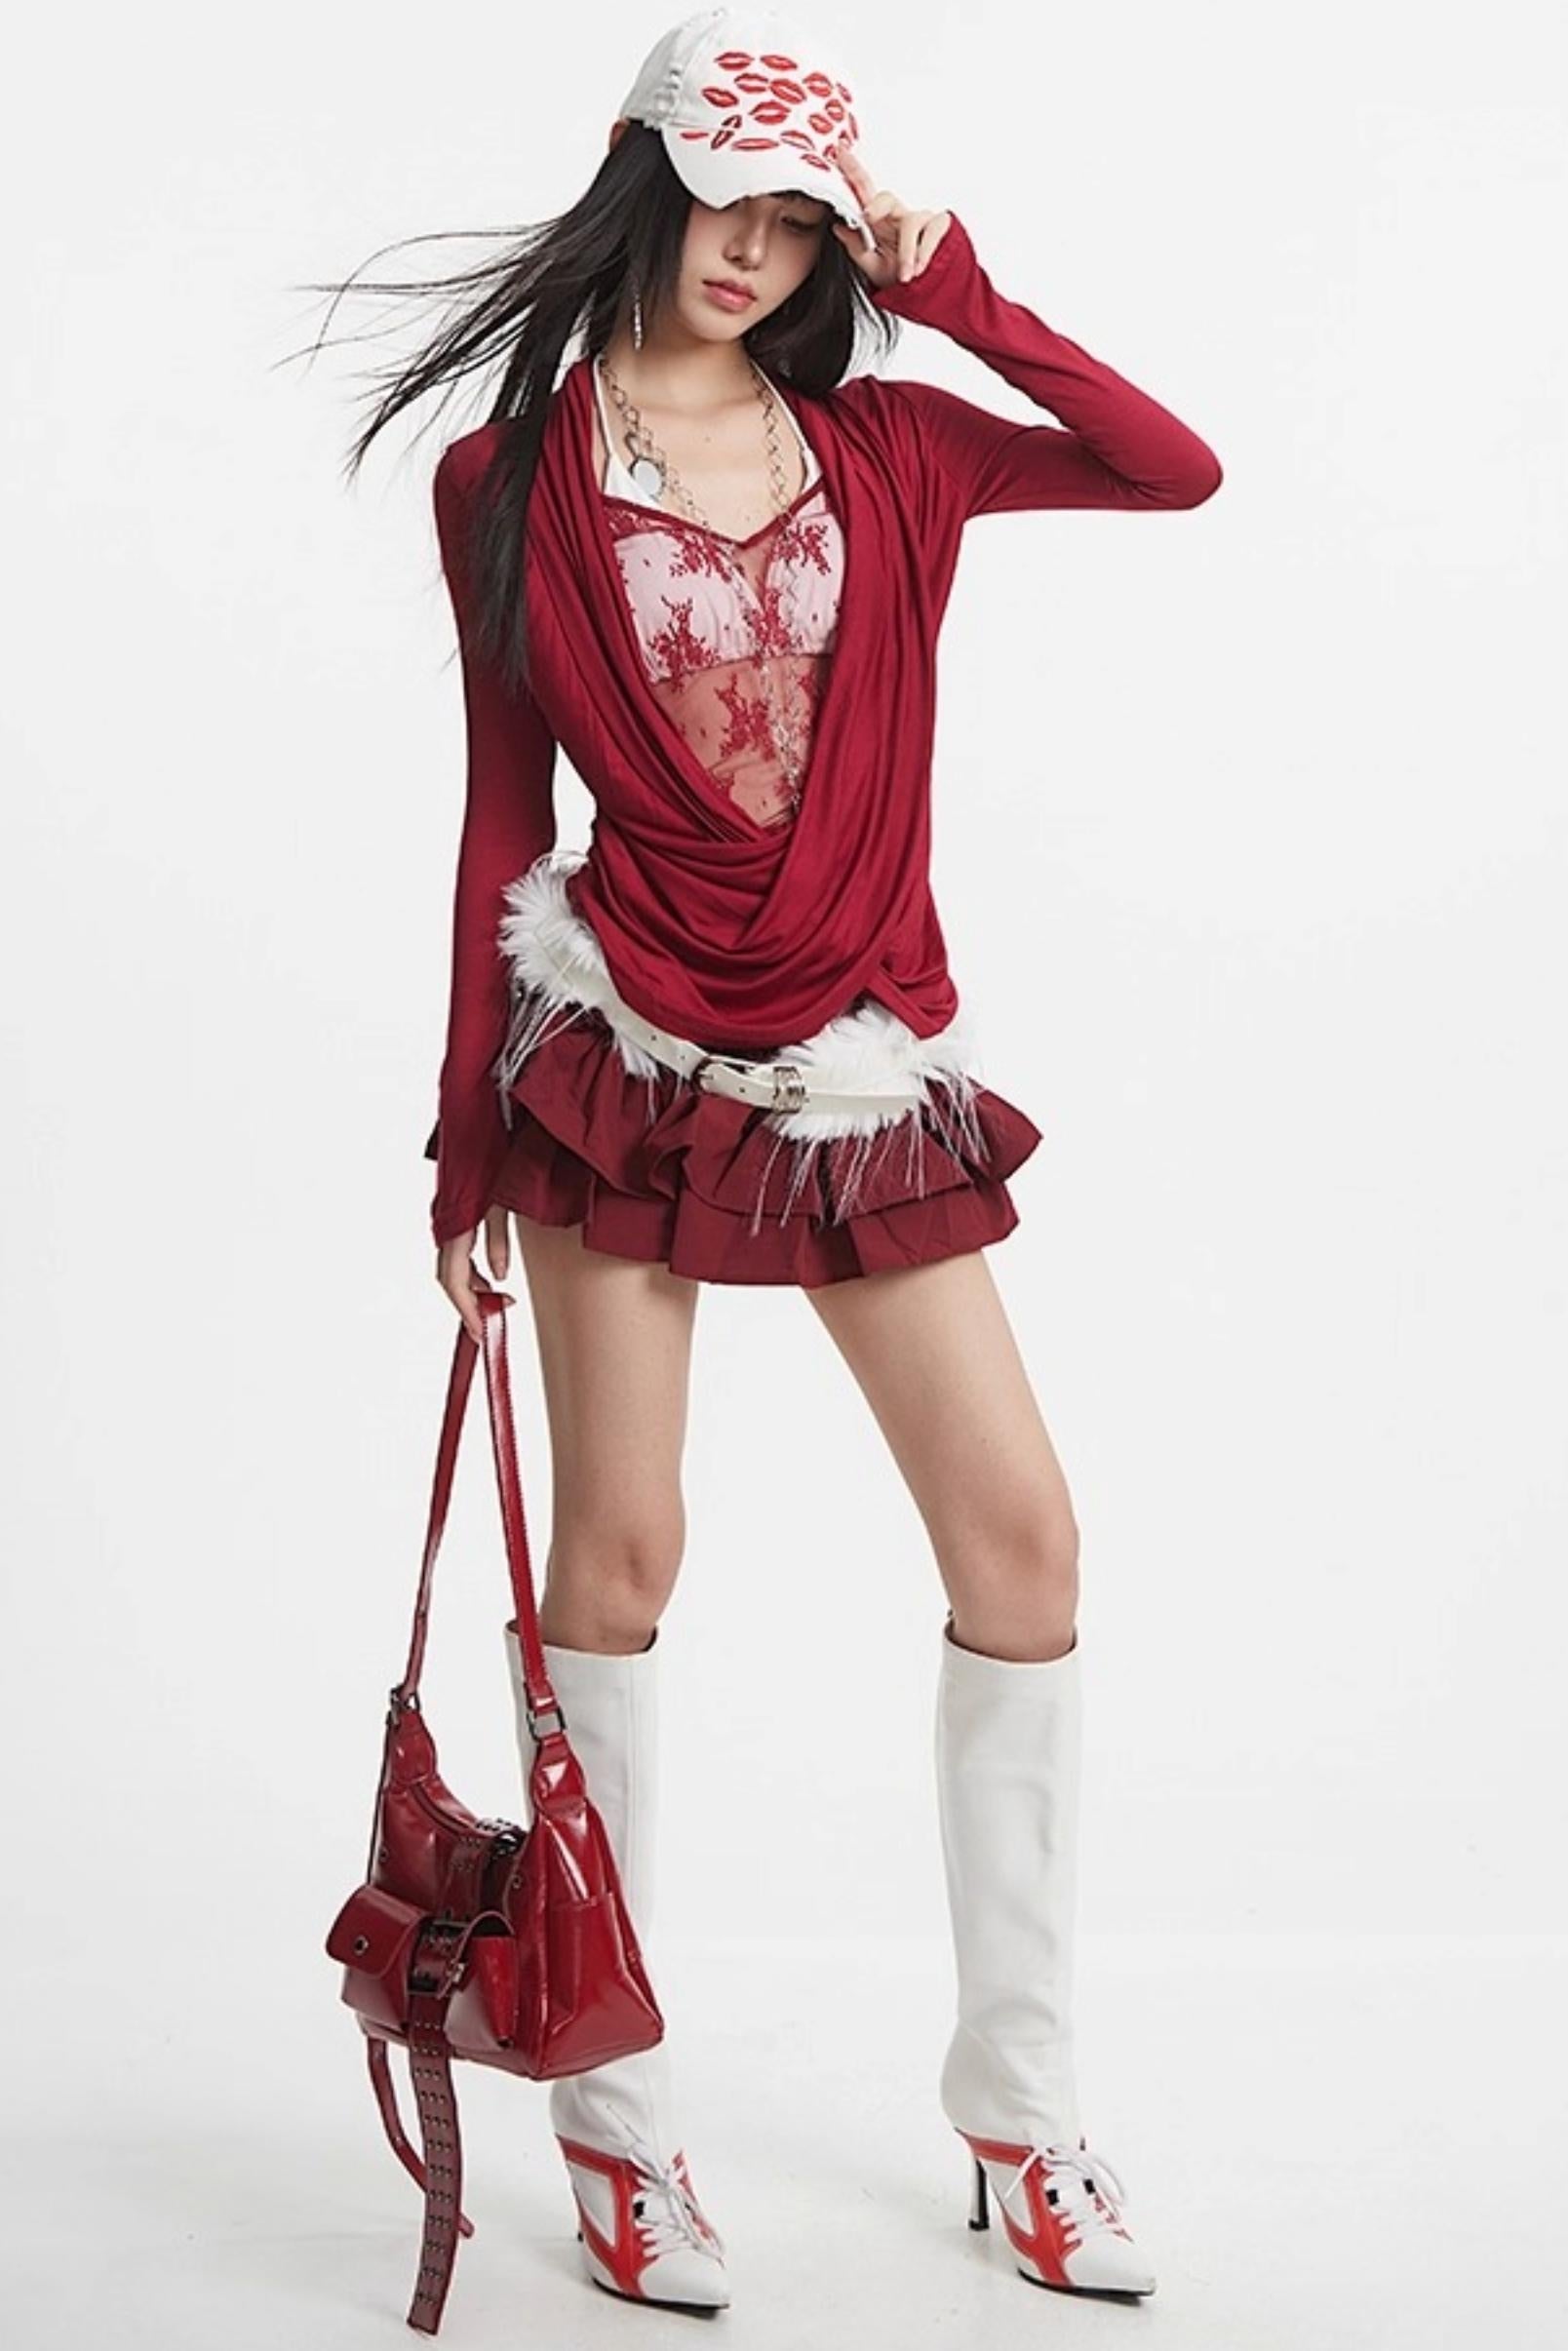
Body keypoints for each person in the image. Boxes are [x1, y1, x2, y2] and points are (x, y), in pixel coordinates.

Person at [336, 2, 1220, 2313]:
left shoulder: (895, 440)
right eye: (723, 197)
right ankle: (617, 2120)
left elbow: (1172, 469)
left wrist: (962, 290)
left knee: (1023, 1545)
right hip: (618, 1058)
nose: (753, 248)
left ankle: (1022, 2110)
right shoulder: (506, 474)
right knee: (620, 1553)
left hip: (855, 1052)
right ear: (645, 182)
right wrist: (462, 1150)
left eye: (801, 219)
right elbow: (500, 818)